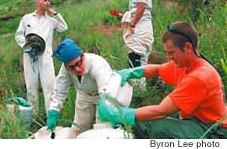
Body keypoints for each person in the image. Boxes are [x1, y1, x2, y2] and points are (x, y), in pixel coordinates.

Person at [97, 21, 227, 139]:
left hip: (213, 131)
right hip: (194, 122)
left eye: (172, 52)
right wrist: (130, 73)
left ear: (188, 47)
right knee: (139, 121)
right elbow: (158, 70)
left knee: (160, 128)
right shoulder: (184, 65)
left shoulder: (199, 77)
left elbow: (161, 111)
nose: (169, 57)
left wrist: (119, 114)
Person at [46, 38, 131, 138]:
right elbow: (60, 90)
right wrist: (53, 111)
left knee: (102, 129)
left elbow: (107, 91)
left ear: (82, 55)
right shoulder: (66, 69)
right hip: (84, 94)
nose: (76, 69)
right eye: (71, 67)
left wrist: (108, 111)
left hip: (103, 96)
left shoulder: (97, 64)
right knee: (78, 128)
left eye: (78, 63)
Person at [15, 0, 68, 116]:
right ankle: (32, 116)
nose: (48, 2)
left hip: (46, 57)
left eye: (49, 0)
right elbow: (18, 35)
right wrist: (27, 46)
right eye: (45, 0)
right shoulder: (27, 18)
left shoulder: (51, 21)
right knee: (31, 86)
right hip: (29, 56)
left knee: (50, 86)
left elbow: (64, 27)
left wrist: (54, 13)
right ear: (38, 3)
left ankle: (51, 115)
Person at [109, 0, 154, 89]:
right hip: (141, 24)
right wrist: (121, 15)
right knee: (139, 58)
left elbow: (141, 7)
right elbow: (136, 10)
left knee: (135, 57)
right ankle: (140, 89)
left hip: (141, 26)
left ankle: (138, 88)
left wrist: (133, 24)